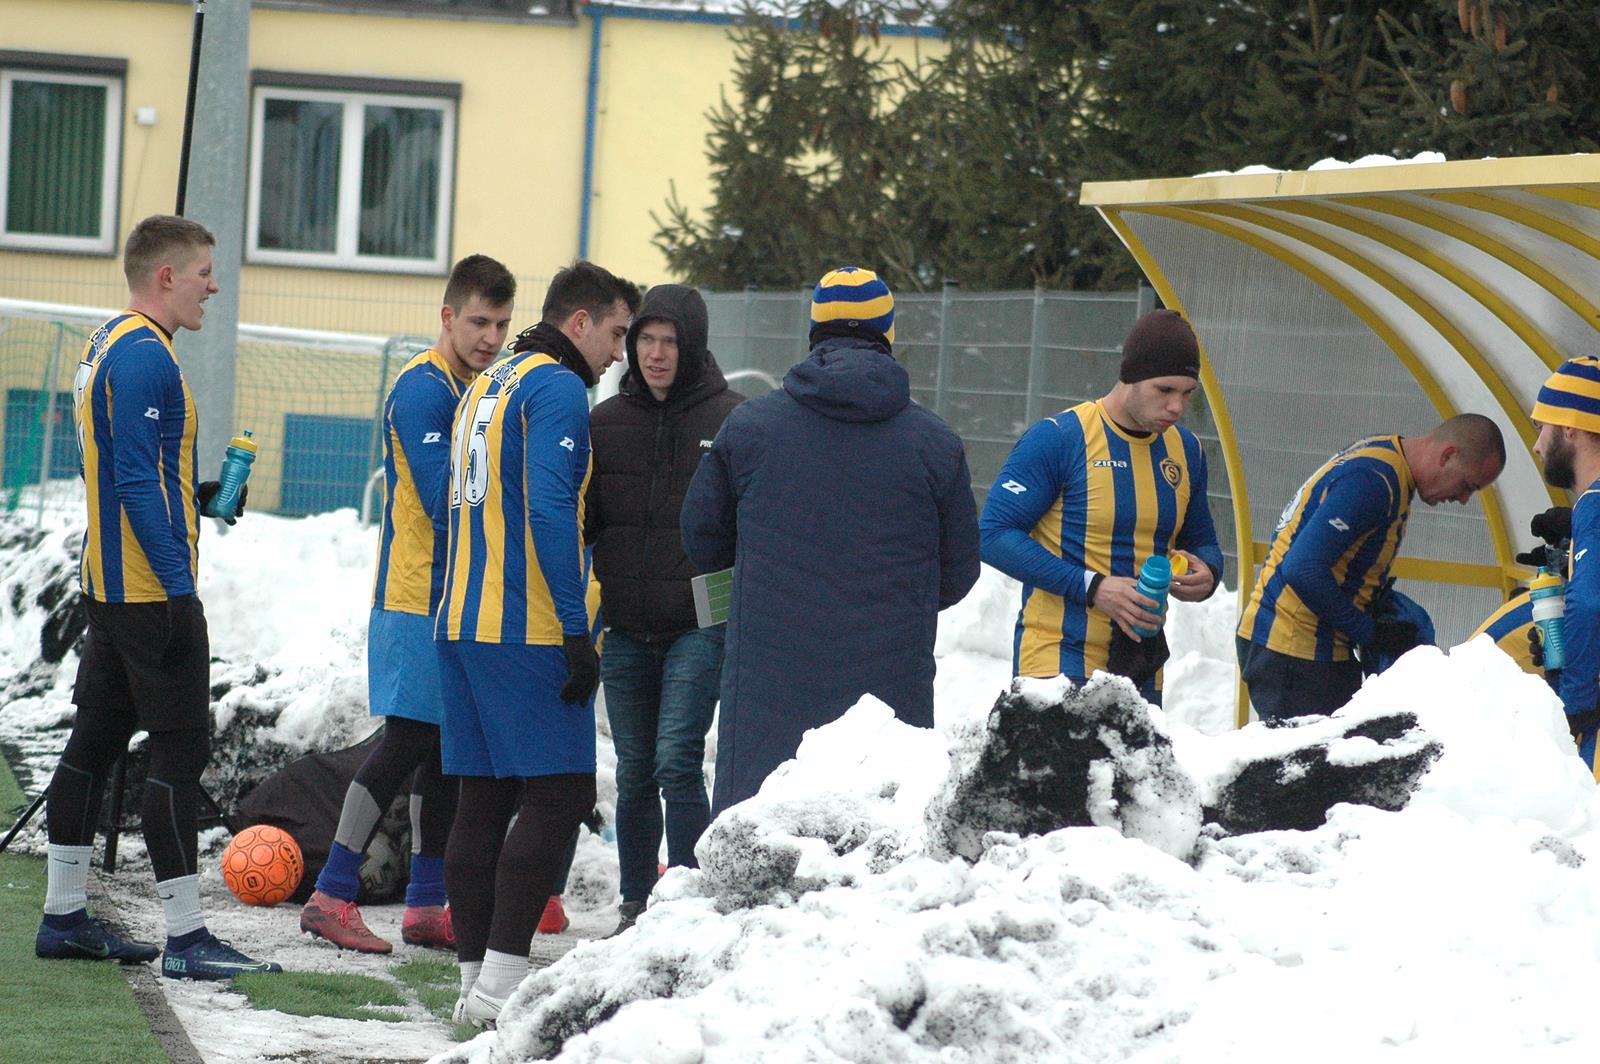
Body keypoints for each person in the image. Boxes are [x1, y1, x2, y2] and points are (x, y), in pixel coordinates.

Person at [36, 215, 278, 980]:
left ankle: (64, 917)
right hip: (147, 593)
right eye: (205, 270)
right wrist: (179, 590)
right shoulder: (146, 357)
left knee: (94, 745)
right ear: (165, 276)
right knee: (180, 750)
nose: (214, 284)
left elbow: (132, 468)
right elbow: (137, 480)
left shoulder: (108, 342)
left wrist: (200, 495)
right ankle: (187, 939)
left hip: (109, 586)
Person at [681, 266, 980, 816]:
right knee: (877, 848)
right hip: (889, 689)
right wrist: (897, 595)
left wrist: (759, 582)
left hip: (769, 684)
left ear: (814, 332)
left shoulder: (749, 427)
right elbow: (960, 572)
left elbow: (702, 538)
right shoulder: (935, 442)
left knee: (757, 844)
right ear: (887, 333)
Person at [437, 261, 640, 1028]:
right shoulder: (556, 386)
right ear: (579, 322)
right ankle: (497, 990)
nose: (620, 353)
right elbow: (552, 509)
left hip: (460, 620)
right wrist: (574, 627)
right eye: (617, 333)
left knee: (483, 798)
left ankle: (472, 984)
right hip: (522, 625)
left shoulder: (489, 379)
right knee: (559, 794)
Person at [299, 255, 515, 954]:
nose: (490, 335)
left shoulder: (473, 385)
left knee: (444, 751)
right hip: (413, 597)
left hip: (451, 597)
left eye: (502, 324)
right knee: (407, 742)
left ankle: (425, 903)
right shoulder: (423, 389)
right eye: (479, 321)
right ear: (448, 316)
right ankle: (332, 892)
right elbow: (446, 497)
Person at [586, 284, 744, 934]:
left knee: (677, 759)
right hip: (625, 628)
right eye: (644, 339)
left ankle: (685, 900)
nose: (654, 354)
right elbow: (585, 523)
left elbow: (747, 527)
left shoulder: (731, 420)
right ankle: (633, 903)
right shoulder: (605, 422)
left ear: (692, 345)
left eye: (668, 341)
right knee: (633, 770)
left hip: (697, 626)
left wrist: (733, 612)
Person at [979, 309, 1225, 700]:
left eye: (1187, 393)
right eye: (1164, 390)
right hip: (1056, 664)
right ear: (1130, 377)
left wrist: (1207, 573)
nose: (1177, 407)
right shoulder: (1060, 438)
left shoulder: (1187, 450)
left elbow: (1203, 541)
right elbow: (992, 535)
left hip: (1141, 667)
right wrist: (1093, 587)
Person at [1237, 414, 1506, 720]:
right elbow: (1302, 567)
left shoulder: (1384, 455)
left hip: (1300, 648)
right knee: (1317, 764)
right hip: (1293, 650)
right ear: (1448, 455)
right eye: (1466, 485)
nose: (1463, 499)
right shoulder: (1375, 482)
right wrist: (1370, 632)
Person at [1530, 358, 1600, 771]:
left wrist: (1572, 704)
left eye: (1543, 427)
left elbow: (1591, 604)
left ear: (1570, 428)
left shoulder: (1595, 505)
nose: (1537, 445)